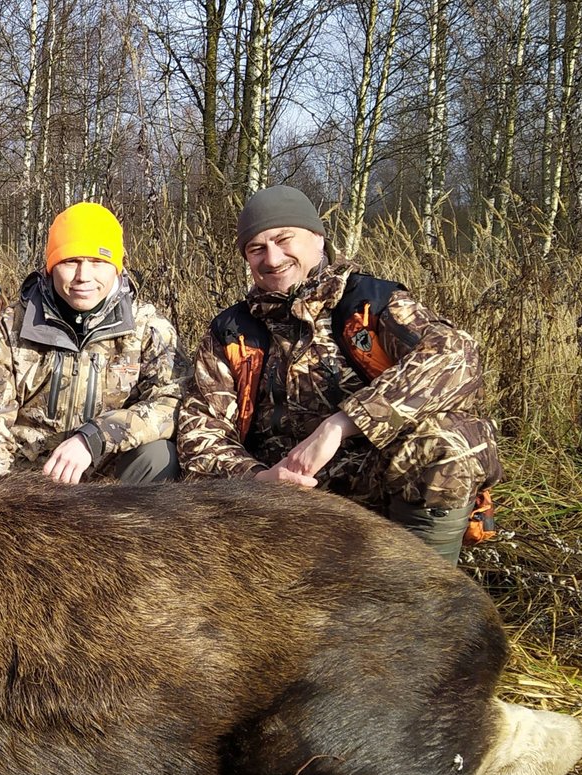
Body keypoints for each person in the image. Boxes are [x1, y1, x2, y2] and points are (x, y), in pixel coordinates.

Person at [176, 185, 500, 560]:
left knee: (446, 440)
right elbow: (201, 433)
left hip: (375, 481)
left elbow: (455, 356)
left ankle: (425, 583)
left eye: (284, 239)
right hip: (275, 501)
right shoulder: (231, 331)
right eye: (256, 248)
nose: (273, 258)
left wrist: (341, 424)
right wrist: (258, 480)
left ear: (318, 238)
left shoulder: (369, 303)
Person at [0, 202, 188, 484]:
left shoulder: (148, 328)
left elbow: (172, 402)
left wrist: (97, 436)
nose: (83, 276)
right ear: (50, 267)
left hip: (110, 482)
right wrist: (1, 496)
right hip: (29, 484)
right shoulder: (11, 327)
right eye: (70, 261)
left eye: (98, 262)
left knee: (160, 456)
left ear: (117, 267)